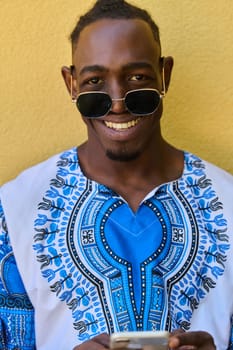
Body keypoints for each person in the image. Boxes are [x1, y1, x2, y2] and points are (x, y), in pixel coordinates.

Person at [0, 0, 232, 349]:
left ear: (164, 75)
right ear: (71, 84)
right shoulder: (15, 209)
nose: (118, 101)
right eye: (95, 80)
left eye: (137, 78)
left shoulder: (229, 201)